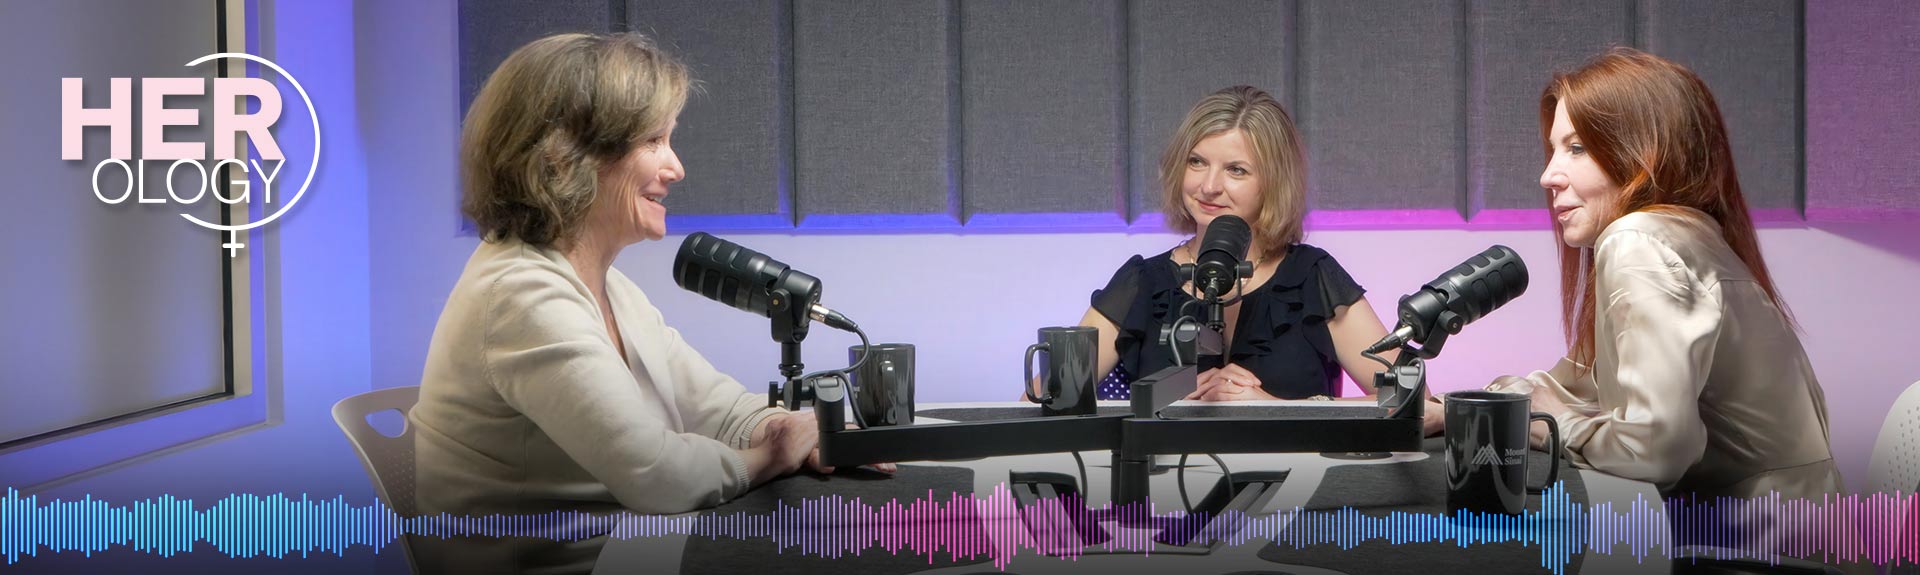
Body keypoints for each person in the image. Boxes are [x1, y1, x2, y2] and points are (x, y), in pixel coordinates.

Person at [408, 32, 884, 574]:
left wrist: (787, 429)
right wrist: (773, 455)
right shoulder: (520, 295)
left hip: (626, 545)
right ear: (567, 156)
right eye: (653, 140)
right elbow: (658, 476)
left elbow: (716, 405)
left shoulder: (604, 287)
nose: (676, 167)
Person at [1446, 46, 1842, 561]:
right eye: (1553, 150)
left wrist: (1542, 423)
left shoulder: (1639, 241)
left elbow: (1654, 451)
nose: (1548, 176)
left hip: (1759, 555)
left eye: (1577, 148)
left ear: (1642, 150)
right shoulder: (1684, 233)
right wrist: (1488, 405)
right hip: (1786, 541)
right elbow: (1582, 384)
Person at [1042, 86, 1395, 403]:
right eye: (1196, 162)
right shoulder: (1142, 281)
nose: (1208, 186)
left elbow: (1410, 403)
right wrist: (1160, 403)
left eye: (1236, 170)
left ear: (1273, 183)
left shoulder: (1313, 276)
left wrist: (1277, 411)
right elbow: (1043, 405)